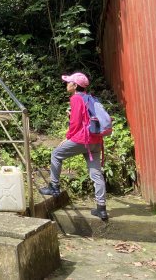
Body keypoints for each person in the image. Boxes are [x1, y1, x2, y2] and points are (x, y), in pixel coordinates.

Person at [39, 72, 108, 221]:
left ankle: (54, 186)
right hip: (96, 140)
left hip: (83, 139)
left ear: (75, 85)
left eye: (69, 82)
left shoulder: (76, 98)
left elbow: (76, 123)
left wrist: (68, 137)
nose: (67, 84)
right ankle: (101, 209)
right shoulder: (89, 98)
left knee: (56, 154)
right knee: (96, 174)